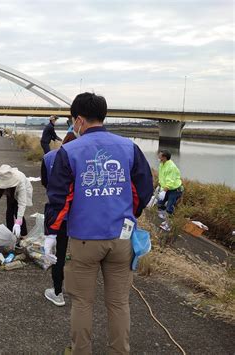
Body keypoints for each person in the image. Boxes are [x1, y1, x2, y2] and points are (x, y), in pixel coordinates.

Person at [44, 92, 153, 354]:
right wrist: (128, 213)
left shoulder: (69, 151)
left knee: (82, 302)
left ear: (79, 119)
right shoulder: (129, 147)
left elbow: (59, 198)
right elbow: (144, 189)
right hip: (122, 238)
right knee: (119, 303)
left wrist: (51, 233)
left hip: (84, 239)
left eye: (73, 121)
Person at [41, 129, 76, 307]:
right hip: (80, 215)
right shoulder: (82, 158)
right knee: (81, 256)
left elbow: (46, 183)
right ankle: (80, 294)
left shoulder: (49, 158)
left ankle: (57, 291)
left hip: (59, 214)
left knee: (59, 254)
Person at [0, 164, 33, 238]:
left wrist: (18, 222)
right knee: (9, 211)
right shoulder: (1, 174)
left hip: (20, 191)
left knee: (17, 211)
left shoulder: (20, 181)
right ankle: (10, 233)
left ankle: (24, 234)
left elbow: (22, 203)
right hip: (11, 192)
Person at [157, 149, 183, 231]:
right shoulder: (162, 164)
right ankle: (166, 219)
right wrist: (160, 186)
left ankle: (168, 225)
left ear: (164, 157)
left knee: (169, 208)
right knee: (160, 204)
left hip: (175, 190)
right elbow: (162, 177)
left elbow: (170, 181)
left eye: (160, 155)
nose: (158, 157)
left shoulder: (171, 167)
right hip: (166, 188)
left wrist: (164, 191)